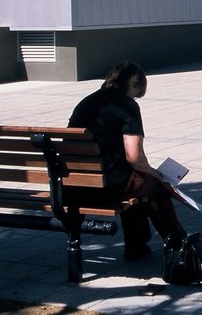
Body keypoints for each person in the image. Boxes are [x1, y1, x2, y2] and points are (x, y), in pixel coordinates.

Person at [68, 61, 186, 261]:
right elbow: (134, 157)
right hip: (107, 186)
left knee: (138, 185)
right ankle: (178, 243)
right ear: (135, 85)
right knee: (155, 186)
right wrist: (156, 174)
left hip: (76, 185)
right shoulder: (127, 106)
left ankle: (137, 245)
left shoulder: (87, 102)